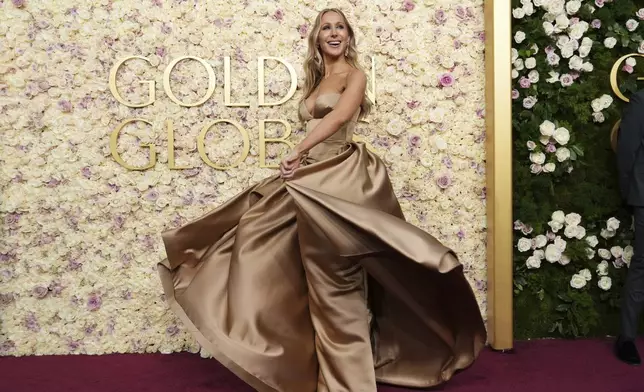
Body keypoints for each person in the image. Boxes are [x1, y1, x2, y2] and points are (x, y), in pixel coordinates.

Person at [158, 8, 486, 391]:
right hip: (306, 176)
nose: (333, 33)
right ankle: (279, 355)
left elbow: (338, 118)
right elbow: (319, 118)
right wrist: (301, 158)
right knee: (254, 237)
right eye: (326, 27)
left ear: (349, 36)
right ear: (317, 37)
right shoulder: (317, 79)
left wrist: (299, 149)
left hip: (336, 176)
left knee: (336, 278)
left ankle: (348, 383)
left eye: (340, 27)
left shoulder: (355, 75)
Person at [615, 88, 644, 365]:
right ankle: (626, 338)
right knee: (643, 267)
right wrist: (629, 193)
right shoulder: (641, 100)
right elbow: (626, 151)